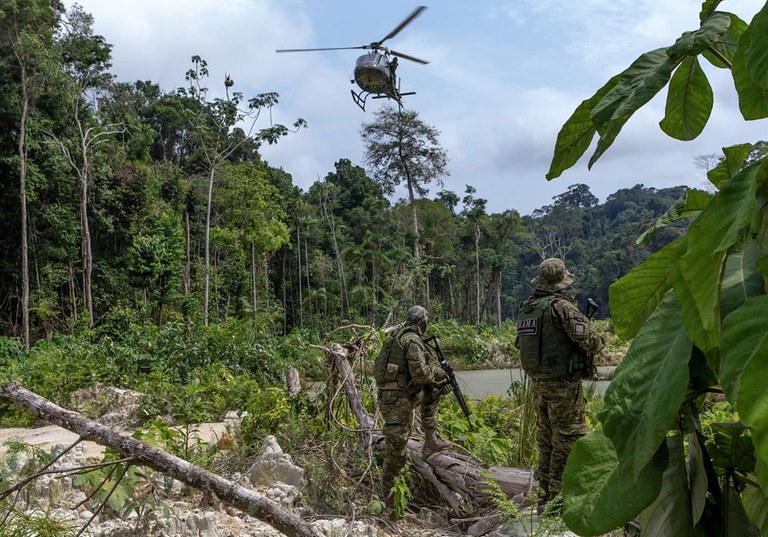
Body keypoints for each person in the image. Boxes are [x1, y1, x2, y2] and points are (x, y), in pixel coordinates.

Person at [515, 258, 605, 510]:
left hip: (538, 383)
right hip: (562, 386)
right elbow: (591, 342)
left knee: (546, 437)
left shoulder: (529, 308)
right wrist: (596, 336)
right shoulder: (562, 307)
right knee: (568, 437)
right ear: (561, 281)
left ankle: (545, 490)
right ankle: (558, 496)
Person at [374, 305, 451, 506]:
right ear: (422, 322)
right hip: (397, 400)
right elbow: (420, 374)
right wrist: (439, 373)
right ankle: (391, 502)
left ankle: (430, 440)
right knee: (396, 449)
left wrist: (436, 384)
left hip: (394, 397)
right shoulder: (412, 340)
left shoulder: (395, 336)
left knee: (433, 392)